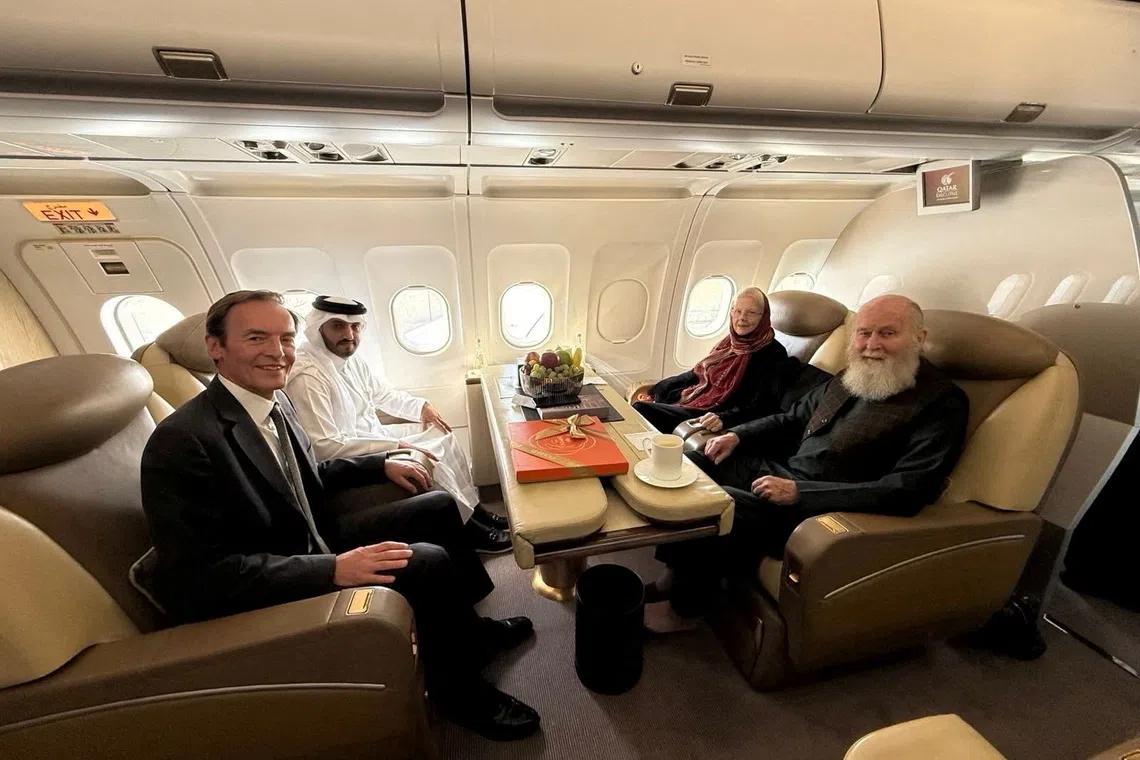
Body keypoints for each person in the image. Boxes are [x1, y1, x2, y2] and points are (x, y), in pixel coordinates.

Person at [140, 290, 540, 740]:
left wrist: (379, 464)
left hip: (310, 536)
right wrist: (332, 568)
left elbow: (305, 475)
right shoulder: (183, 441)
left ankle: (471, 633)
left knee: (438, 506)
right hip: (277, 573)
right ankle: (462, 695)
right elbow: (199, 577)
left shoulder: (272, 402)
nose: (277, 352)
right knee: (425, 560)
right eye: (256, 338)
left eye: (285, 339)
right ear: (216, 347)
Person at [650, 295, 969, 626]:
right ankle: (671, 574)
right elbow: (793, 418)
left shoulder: (941, 403)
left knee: (720, 504)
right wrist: (737, 435)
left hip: (824, 508)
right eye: (864, 333)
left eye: (887, 333)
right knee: (696, 462)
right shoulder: (852, 376)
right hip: (787, 473)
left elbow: (906, 490)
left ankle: (683, 611)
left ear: (919, 338)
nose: (872, 344)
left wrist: (800, 493)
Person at [285, 295, 510, 554]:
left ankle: (476, 511)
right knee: (432, 457)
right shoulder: (309, 376)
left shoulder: (351, 361)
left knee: (441, 434)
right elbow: (324, 446)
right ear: (319, 328)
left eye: (355, 326)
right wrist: (395, 445)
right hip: (352, 453)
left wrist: (421, 407)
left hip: (372, 435)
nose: (349, 335)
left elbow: (383, 395)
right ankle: (470, 530)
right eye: (338, 326)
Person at [632, 287, 800, 435]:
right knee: (642, 403)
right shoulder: (729, 343)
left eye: (751, 312)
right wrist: (656, 391)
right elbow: (697, 374)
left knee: (640, 409)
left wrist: (724, 418)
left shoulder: (773, 353)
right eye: (738, 311)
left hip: (714, 412)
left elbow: (762, 405)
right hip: (698, 398)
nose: (742, 318)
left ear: (764, 317)